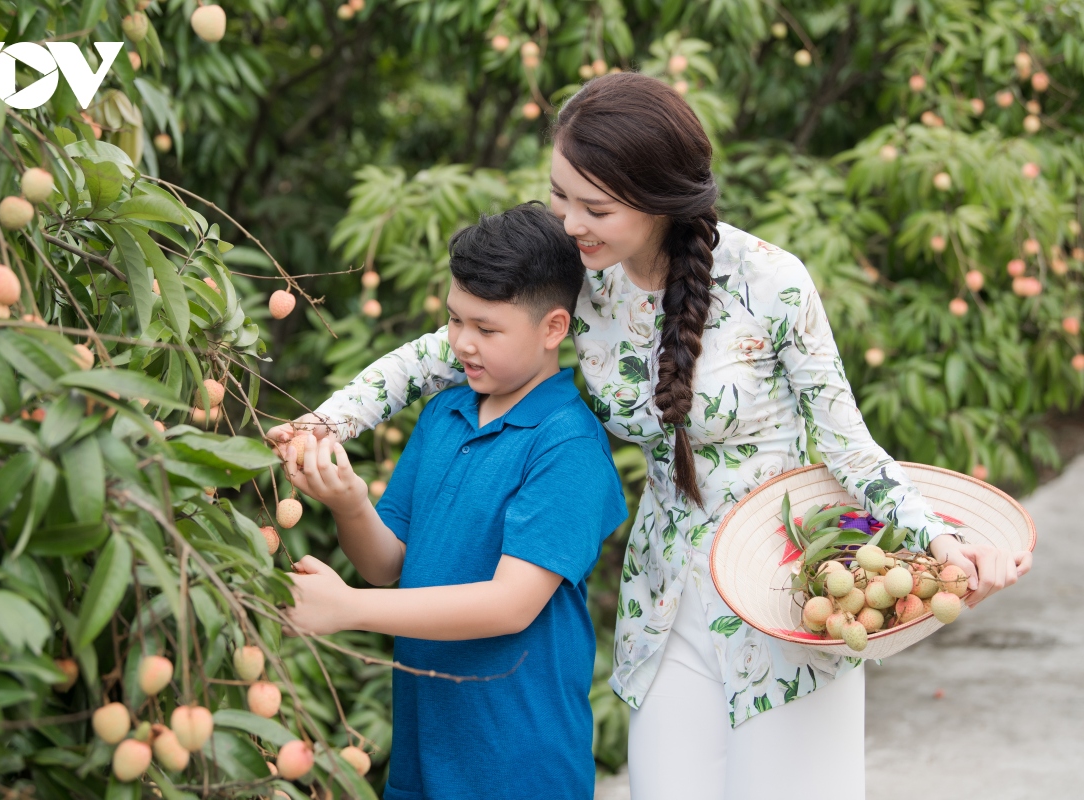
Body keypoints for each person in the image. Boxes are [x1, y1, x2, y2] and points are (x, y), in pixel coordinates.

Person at [270, 73, 1032, 799]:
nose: (570, 225)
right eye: (560, 197)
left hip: (785, 586)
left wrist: (937, 540)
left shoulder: (772, 283)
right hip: (664, 594)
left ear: (658, 199)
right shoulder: (582, 280)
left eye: (594, 208)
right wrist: (328, 420)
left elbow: (848, 445)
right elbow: (440, 352)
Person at [281, 202, 628, 800]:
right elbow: (387, 564)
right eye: (455, 320)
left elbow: (510, 605)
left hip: (518, 767)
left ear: (553, 328)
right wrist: (349, 502)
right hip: (424, 756)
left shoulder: (566, 443)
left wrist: (347, 610)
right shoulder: (447, 410)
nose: (463, 344)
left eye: (487, 329)